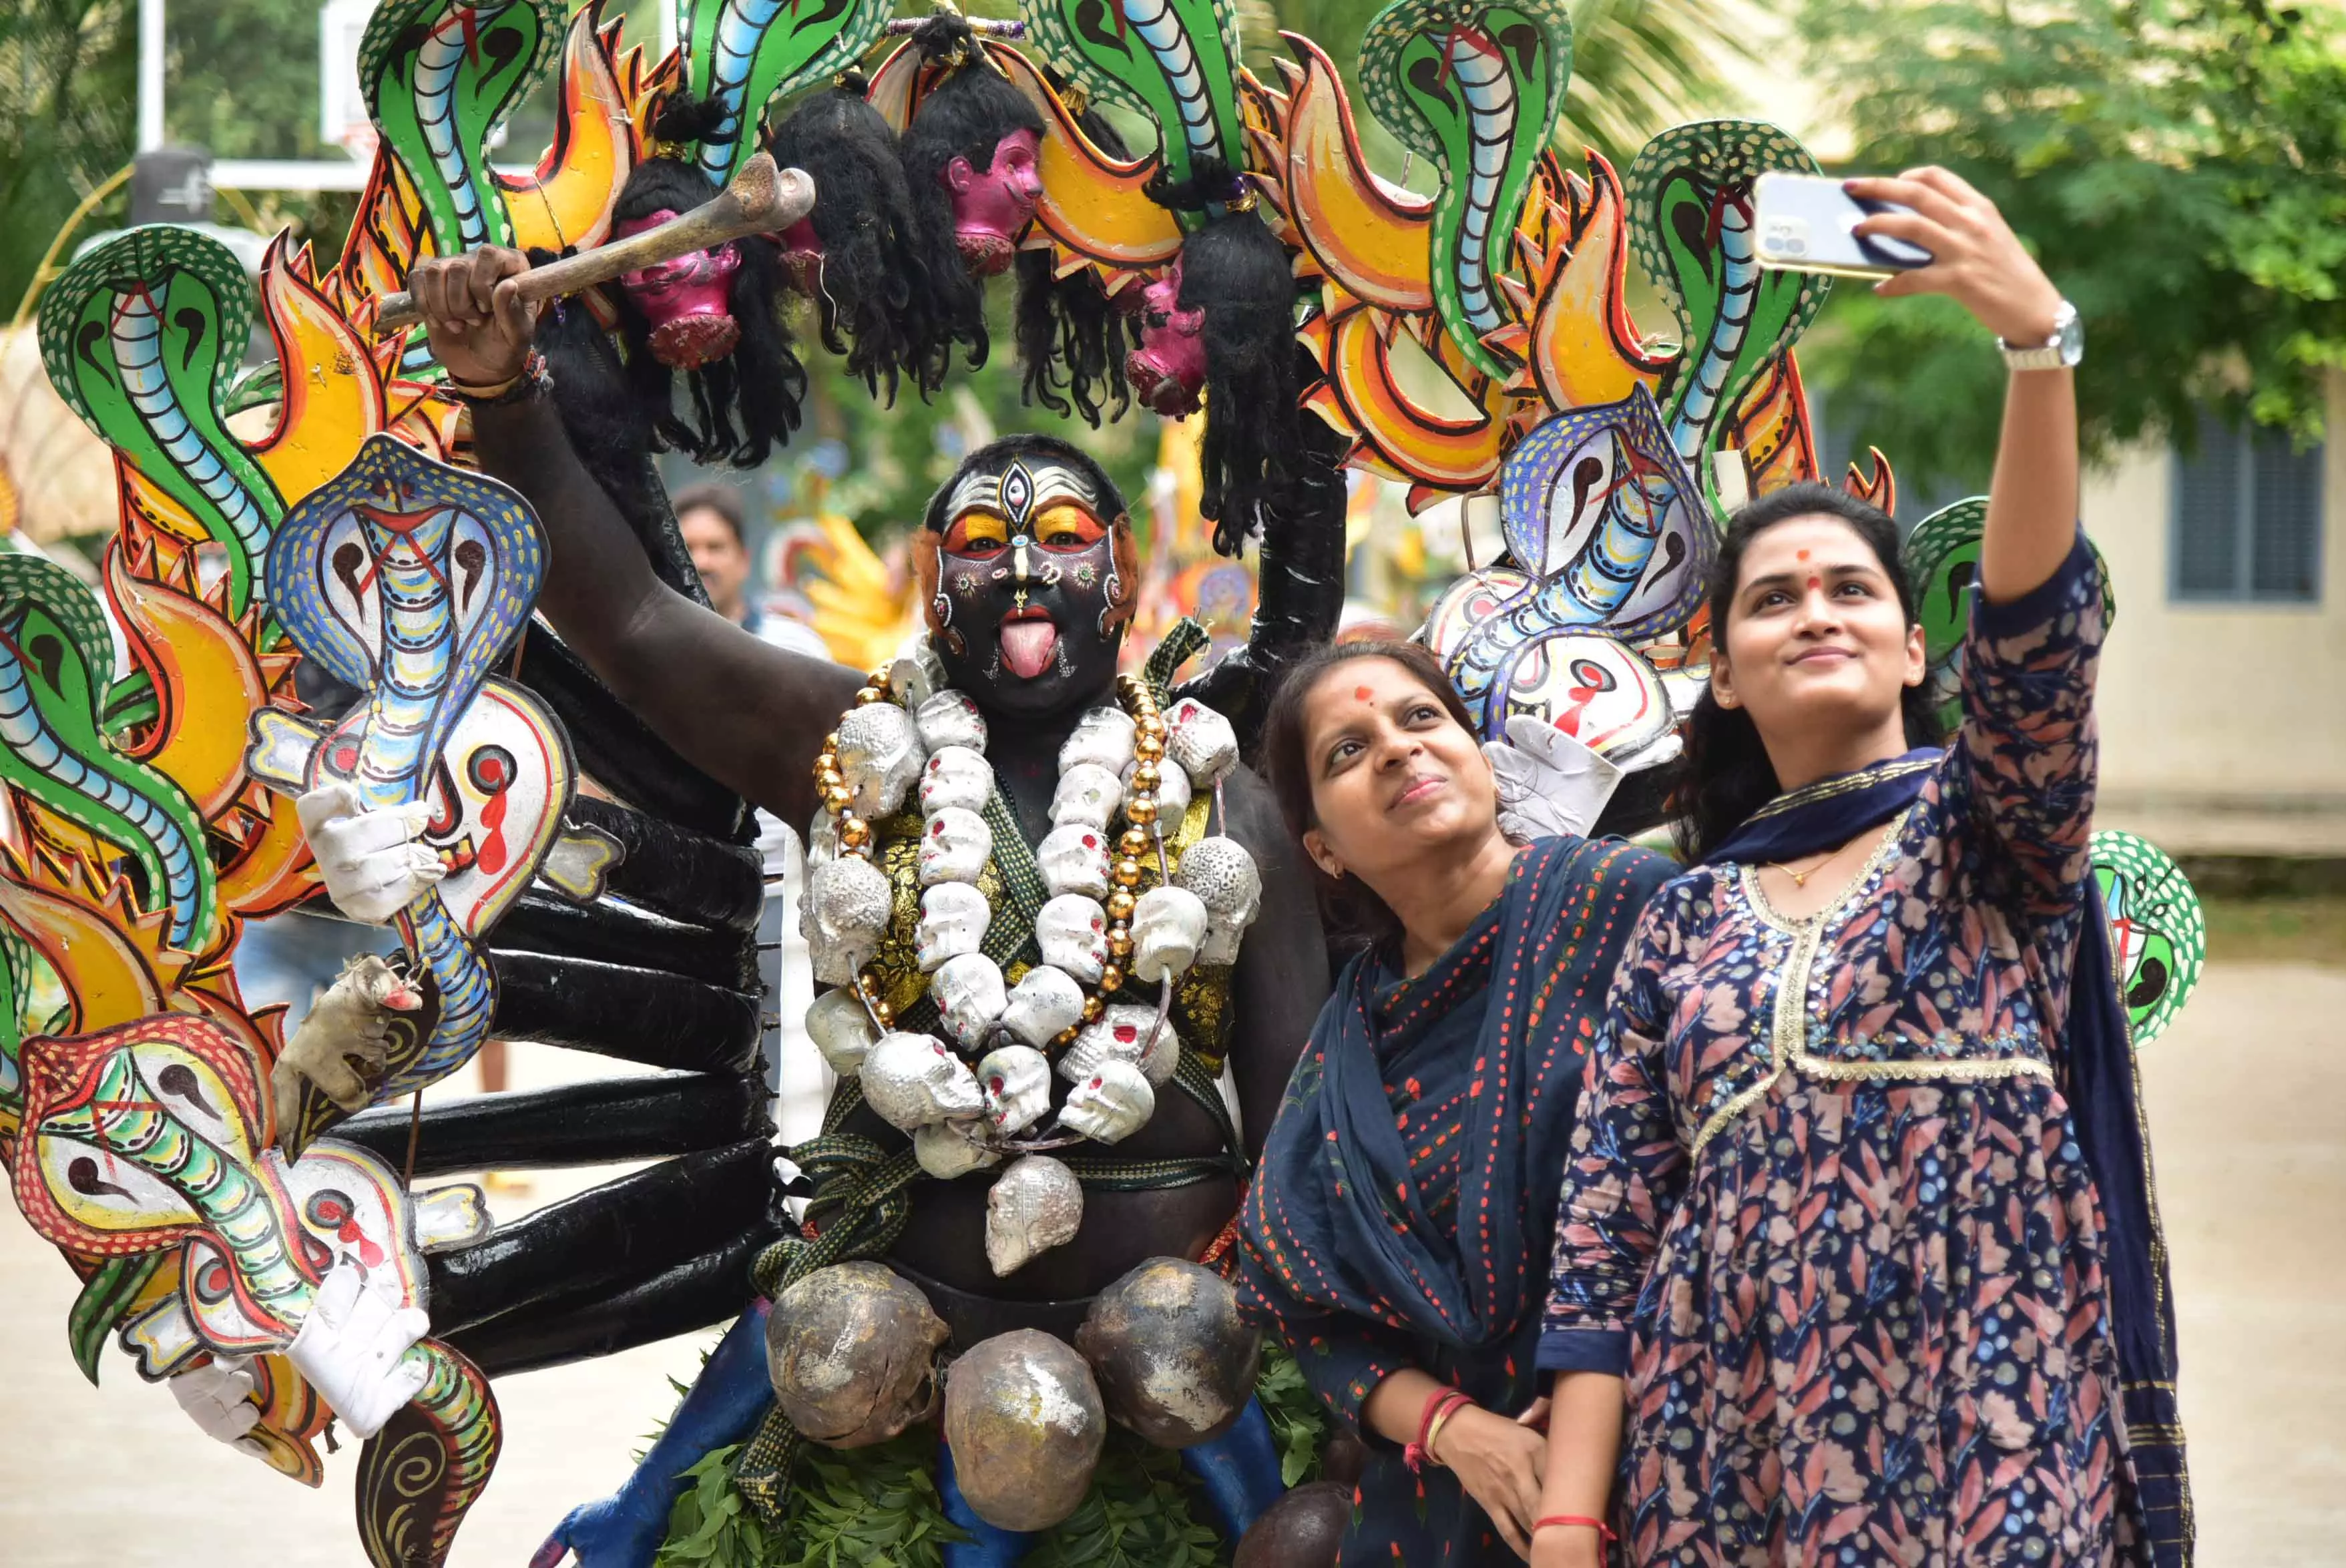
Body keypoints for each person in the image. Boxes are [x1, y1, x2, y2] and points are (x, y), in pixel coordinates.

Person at [1532, 169, 2188, 1566]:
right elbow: (1602, 1248)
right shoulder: (1677, 920)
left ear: (1910, 647)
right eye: (1769, 597)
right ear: (1716, 673)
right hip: (1728, 1462)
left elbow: (2031, 645)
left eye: (1850, 588)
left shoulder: (1990, 836)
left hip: (2000, 1434)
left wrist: (2032, 351)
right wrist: (1569, 1523)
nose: (1812, 610)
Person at [1234, 639, 1674, 1565]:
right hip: (1447, 1511)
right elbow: (1307, 1317)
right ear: (1323, 846)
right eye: (1346, 753)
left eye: (1420, 719)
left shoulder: (1623, 905)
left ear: (1477, 752)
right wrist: (1458, 1431)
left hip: (1672, 1451)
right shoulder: (1349, 1039)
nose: (1396, 750)